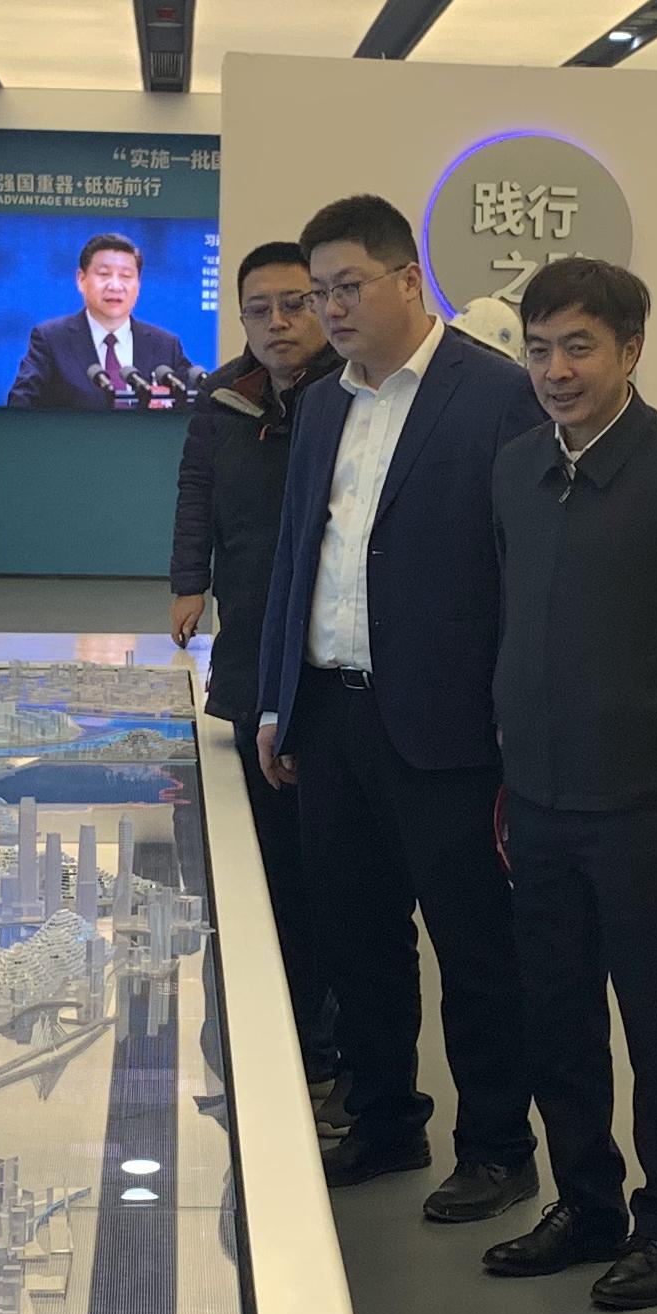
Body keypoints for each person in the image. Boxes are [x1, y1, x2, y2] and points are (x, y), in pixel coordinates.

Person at [253, 192, 538, 1220]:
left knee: (475, 947)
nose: (328, 309)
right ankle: (385, 1120)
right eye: (316, 292)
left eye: (346, 287)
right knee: (357, 938)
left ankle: (497, 1147)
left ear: (409, 281)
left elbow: (520, 572)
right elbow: (300, 556)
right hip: (333, 716)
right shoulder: (323, 403)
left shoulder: (495, 395)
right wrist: (279, 700)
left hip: (448, 726)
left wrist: (511, 717)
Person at [483, 255, 657, 1310]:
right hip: (536, 798)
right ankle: (586, 1204)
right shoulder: (515, 468)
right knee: (556, 1016)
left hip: (648, 801)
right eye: (539, 350)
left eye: (579, 347)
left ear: (631, 349)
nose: (556, 371)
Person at [173, 242, 340, 1091]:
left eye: (295, 303)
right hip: (248, 645)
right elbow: (195, 491)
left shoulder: (351, 397)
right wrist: (187, 582)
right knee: (264, 854)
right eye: (259, 309)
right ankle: (275, 1026)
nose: (278, 323)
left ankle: (326, 1043)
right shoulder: (225, 400)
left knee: (328, 869)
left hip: (328, 658)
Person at [9, 230, 199, 408]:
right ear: (81, 279)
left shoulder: (165, 346)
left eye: (126, 276)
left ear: (138, 284)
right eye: (104, 274)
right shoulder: (51, 339)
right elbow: (20, 403)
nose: (115, 286)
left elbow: (196, 403)